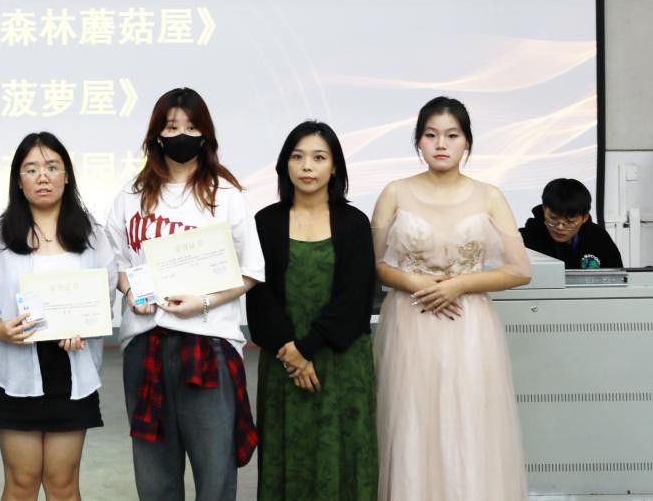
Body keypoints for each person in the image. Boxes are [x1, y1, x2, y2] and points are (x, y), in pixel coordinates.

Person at [107, 87, 265, 501]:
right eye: (172, 126)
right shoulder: (131, 195)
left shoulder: (225, 195)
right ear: (156, 134)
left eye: (192, 128)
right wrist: (130, 291)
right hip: (145, 343)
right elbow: (115, 261)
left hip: (208, 344)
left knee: (215, 474)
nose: (181, 135)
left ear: (206, 135)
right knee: (154, 476)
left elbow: (251, 270)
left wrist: (205, 301)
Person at [371, 96, 532, 501]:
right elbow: (373, 264)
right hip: (410, 320)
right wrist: (416, 282)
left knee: (469, 422)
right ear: (418, 142)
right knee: (412, 418)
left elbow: (520, 270)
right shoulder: (395, 192)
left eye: (452, 135)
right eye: (431, 135)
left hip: (469, 323)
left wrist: (458, 285)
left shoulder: (489, 195)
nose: (441, 144)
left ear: (467, 143)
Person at [0, 132, 117, 501]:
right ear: (18, 181)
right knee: (21, 483)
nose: (43, 177)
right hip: (13, 375)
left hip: (72, 373)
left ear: (66, 176)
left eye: (52, 167)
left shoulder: (93, 235)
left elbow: (105, 295)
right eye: (32, 169)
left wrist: (86, 326)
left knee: (63, 484)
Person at [246, 121, 378, 500]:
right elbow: (259, 294)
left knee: (344, 456)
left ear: (334, 168)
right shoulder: (265, 222)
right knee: (288, 455)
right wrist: (290, 351)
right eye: (297, 156)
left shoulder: (354, 223)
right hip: (283, 360)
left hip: (341, 359)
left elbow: (356, 298)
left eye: (319, 158)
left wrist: (306, 349)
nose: (307, 166)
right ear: (284, 164)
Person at [520, 177, 622, 269]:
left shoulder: (599, 237)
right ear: (544, 209)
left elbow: (617, 277)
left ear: (585, 217)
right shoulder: (524, 238)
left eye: (570, 221)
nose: (560, 227)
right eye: (553, 217)